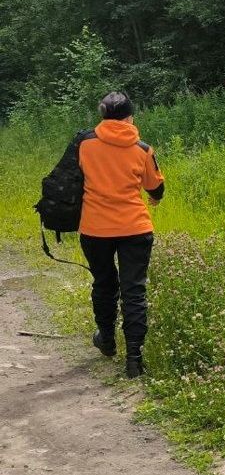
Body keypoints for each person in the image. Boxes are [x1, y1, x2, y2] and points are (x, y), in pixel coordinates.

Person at [80, 92, 164, 378]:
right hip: (135, 229)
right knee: (134, 291)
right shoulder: (142, 149)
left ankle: (106, 340)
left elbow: (69, 180)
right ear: (130, 117)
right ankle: (134, 360)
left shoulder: (84, 144)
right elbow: (156, 188)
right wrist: (153, 198)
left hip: (94, 229)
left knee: (103, 283)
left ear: (103, 117)